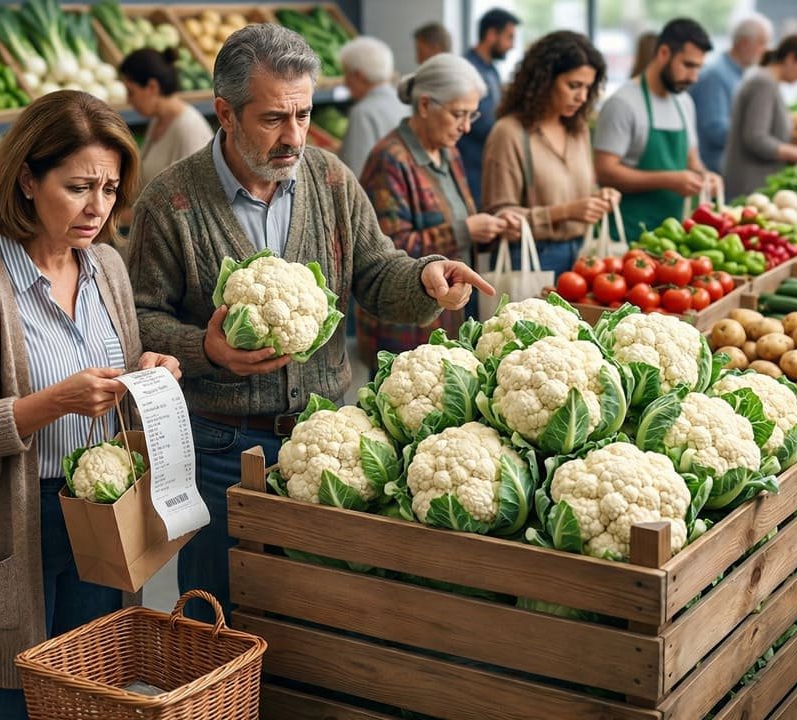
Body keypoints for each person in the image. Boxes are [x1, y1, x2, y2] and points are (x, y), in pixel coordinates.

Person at [127, 24, 493, 622]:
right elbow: (138, 319)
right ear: (225, 112)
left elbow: (376, 271)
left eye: (302, 114)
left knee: (315, 617)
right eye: (273, 118)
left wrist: (425, 277)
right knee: (219, 616)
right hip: (221, 443)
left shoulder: (329, 179)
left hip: (325, 438)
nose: (293, 136)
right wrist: (206, 348)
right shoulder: (170, 202)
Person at [0, 90, 182, 719]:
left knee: (90, 695)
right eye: (78, 187)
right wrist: (51, 403)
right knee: (4, 701)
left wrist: (148, 374)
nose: (99, 208)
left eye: (111, 188)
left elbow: (116, 382)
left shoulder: (108, 269)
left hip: (99, 514)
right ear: (26, 181)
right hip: (10, 522)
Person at [357, 53, 517, 360]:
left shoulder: (448, 153)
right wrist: (465, 230)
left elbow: (458, 220)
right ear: (426, 105)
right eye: (459, 114)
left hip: (449, 316)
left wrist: (491, 227)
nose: (466, 127)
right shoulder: (389, 160)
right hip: (405, 328)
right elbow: (386, 252)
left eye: (472, 116)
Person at [483, 31, 621, 274]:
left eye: (589, 88)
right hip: (532, 259)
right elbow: (500, 218)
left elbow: (577, 190)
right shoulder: (509, 133)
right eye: (573, 86)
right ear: (544, 81)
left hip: (582, 255)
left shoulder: (578, 129)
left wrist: (600, 197)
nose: (582, 97)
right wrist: (566, 212)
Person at [595, 18, 721, 242]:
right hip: (627, 235)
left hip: (673, 235)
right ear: (664, 53)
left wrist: (706, 177)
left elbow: (692, 161)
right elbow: (604, 171)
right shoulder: (623, 103)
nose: (694, 77)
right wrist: (668, 180)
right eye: (688, 65)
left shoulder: (684, 103)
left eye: (699, 67)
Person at [723, 34, 797, 198]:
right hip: (749, 187)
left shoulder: (767, 82)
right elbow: (755, 138)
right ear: (790, 58)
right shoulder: (763, 83)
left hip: (755, 186)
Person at [688, 15, 772, 174]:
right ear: (744, 43)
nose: (766, 49)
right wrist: (755, 137)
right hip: (711, 170)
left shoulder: (739, 74)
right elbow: (715, 129)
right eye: (762, 42)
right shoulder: (716, 75)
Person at [120, 47, 215, 189]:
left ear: (152, 87)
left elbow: (196, 195)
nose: (128, 100)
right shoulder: (157, 120)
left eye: (131, 92)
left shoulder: (189, 129)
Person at [457, 8, 520, 207]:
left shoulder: (491, 70)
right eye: (509, 37)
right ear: (492, 34)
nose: (512, 45)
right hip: (470, 165)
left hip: (485, 165)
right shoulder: (467, 68)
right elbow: (480, 122)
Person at [338, 36, 410, 177]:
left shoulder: (363, 112)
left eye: (346, 74)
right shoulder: (402, 102)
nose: (345, 83)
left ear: (359, 76)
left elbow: (356, 172)